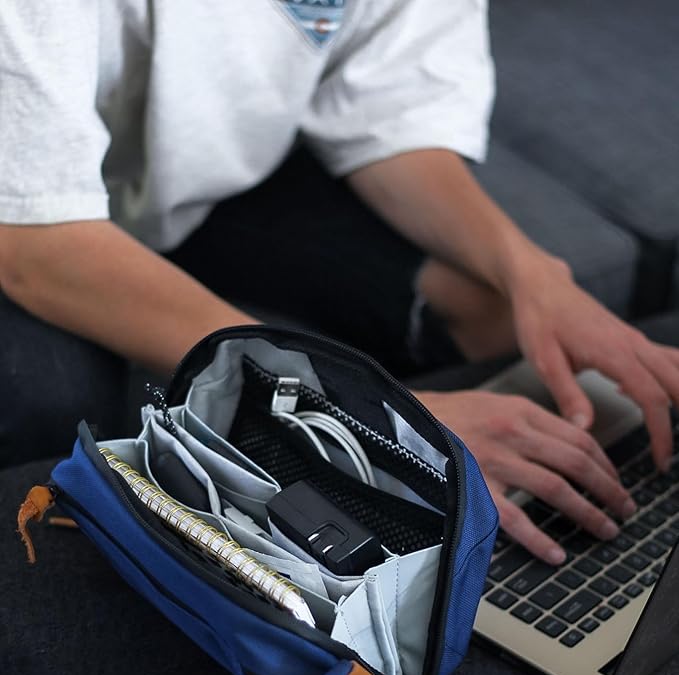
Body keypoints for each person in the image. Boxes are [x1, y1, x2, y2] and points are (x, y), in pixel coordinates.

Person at [1, 1, 678, 566]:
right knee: (57, 403)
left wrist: (532, 274)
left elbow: (387, 115)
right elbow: (35, 243)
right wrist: (374, 419)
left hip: (176, 184)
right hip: (27, 220)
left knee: (489, 307)